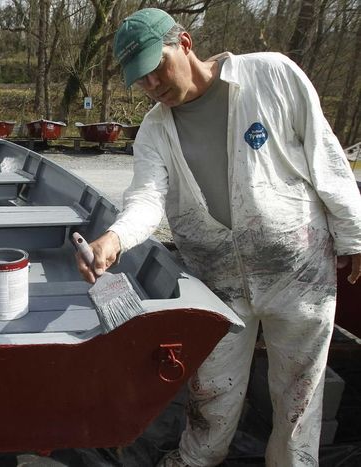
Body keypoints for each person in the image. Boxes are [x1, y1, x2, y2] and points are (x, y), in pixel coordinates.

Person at [75, 7, 361, 467]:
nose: (151, 85)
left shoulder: (271, 75)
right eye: (140, 78)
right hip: (218, 283)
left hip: (300, 272)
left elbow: (325, 154)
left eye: (156, 67)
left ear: (184, 43)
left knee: (300, 394)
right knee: (210, 390)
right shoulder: (154, 130)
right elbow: (147, 198)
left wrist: (353, 235)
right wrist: (114, 238)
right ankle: (196, 461)